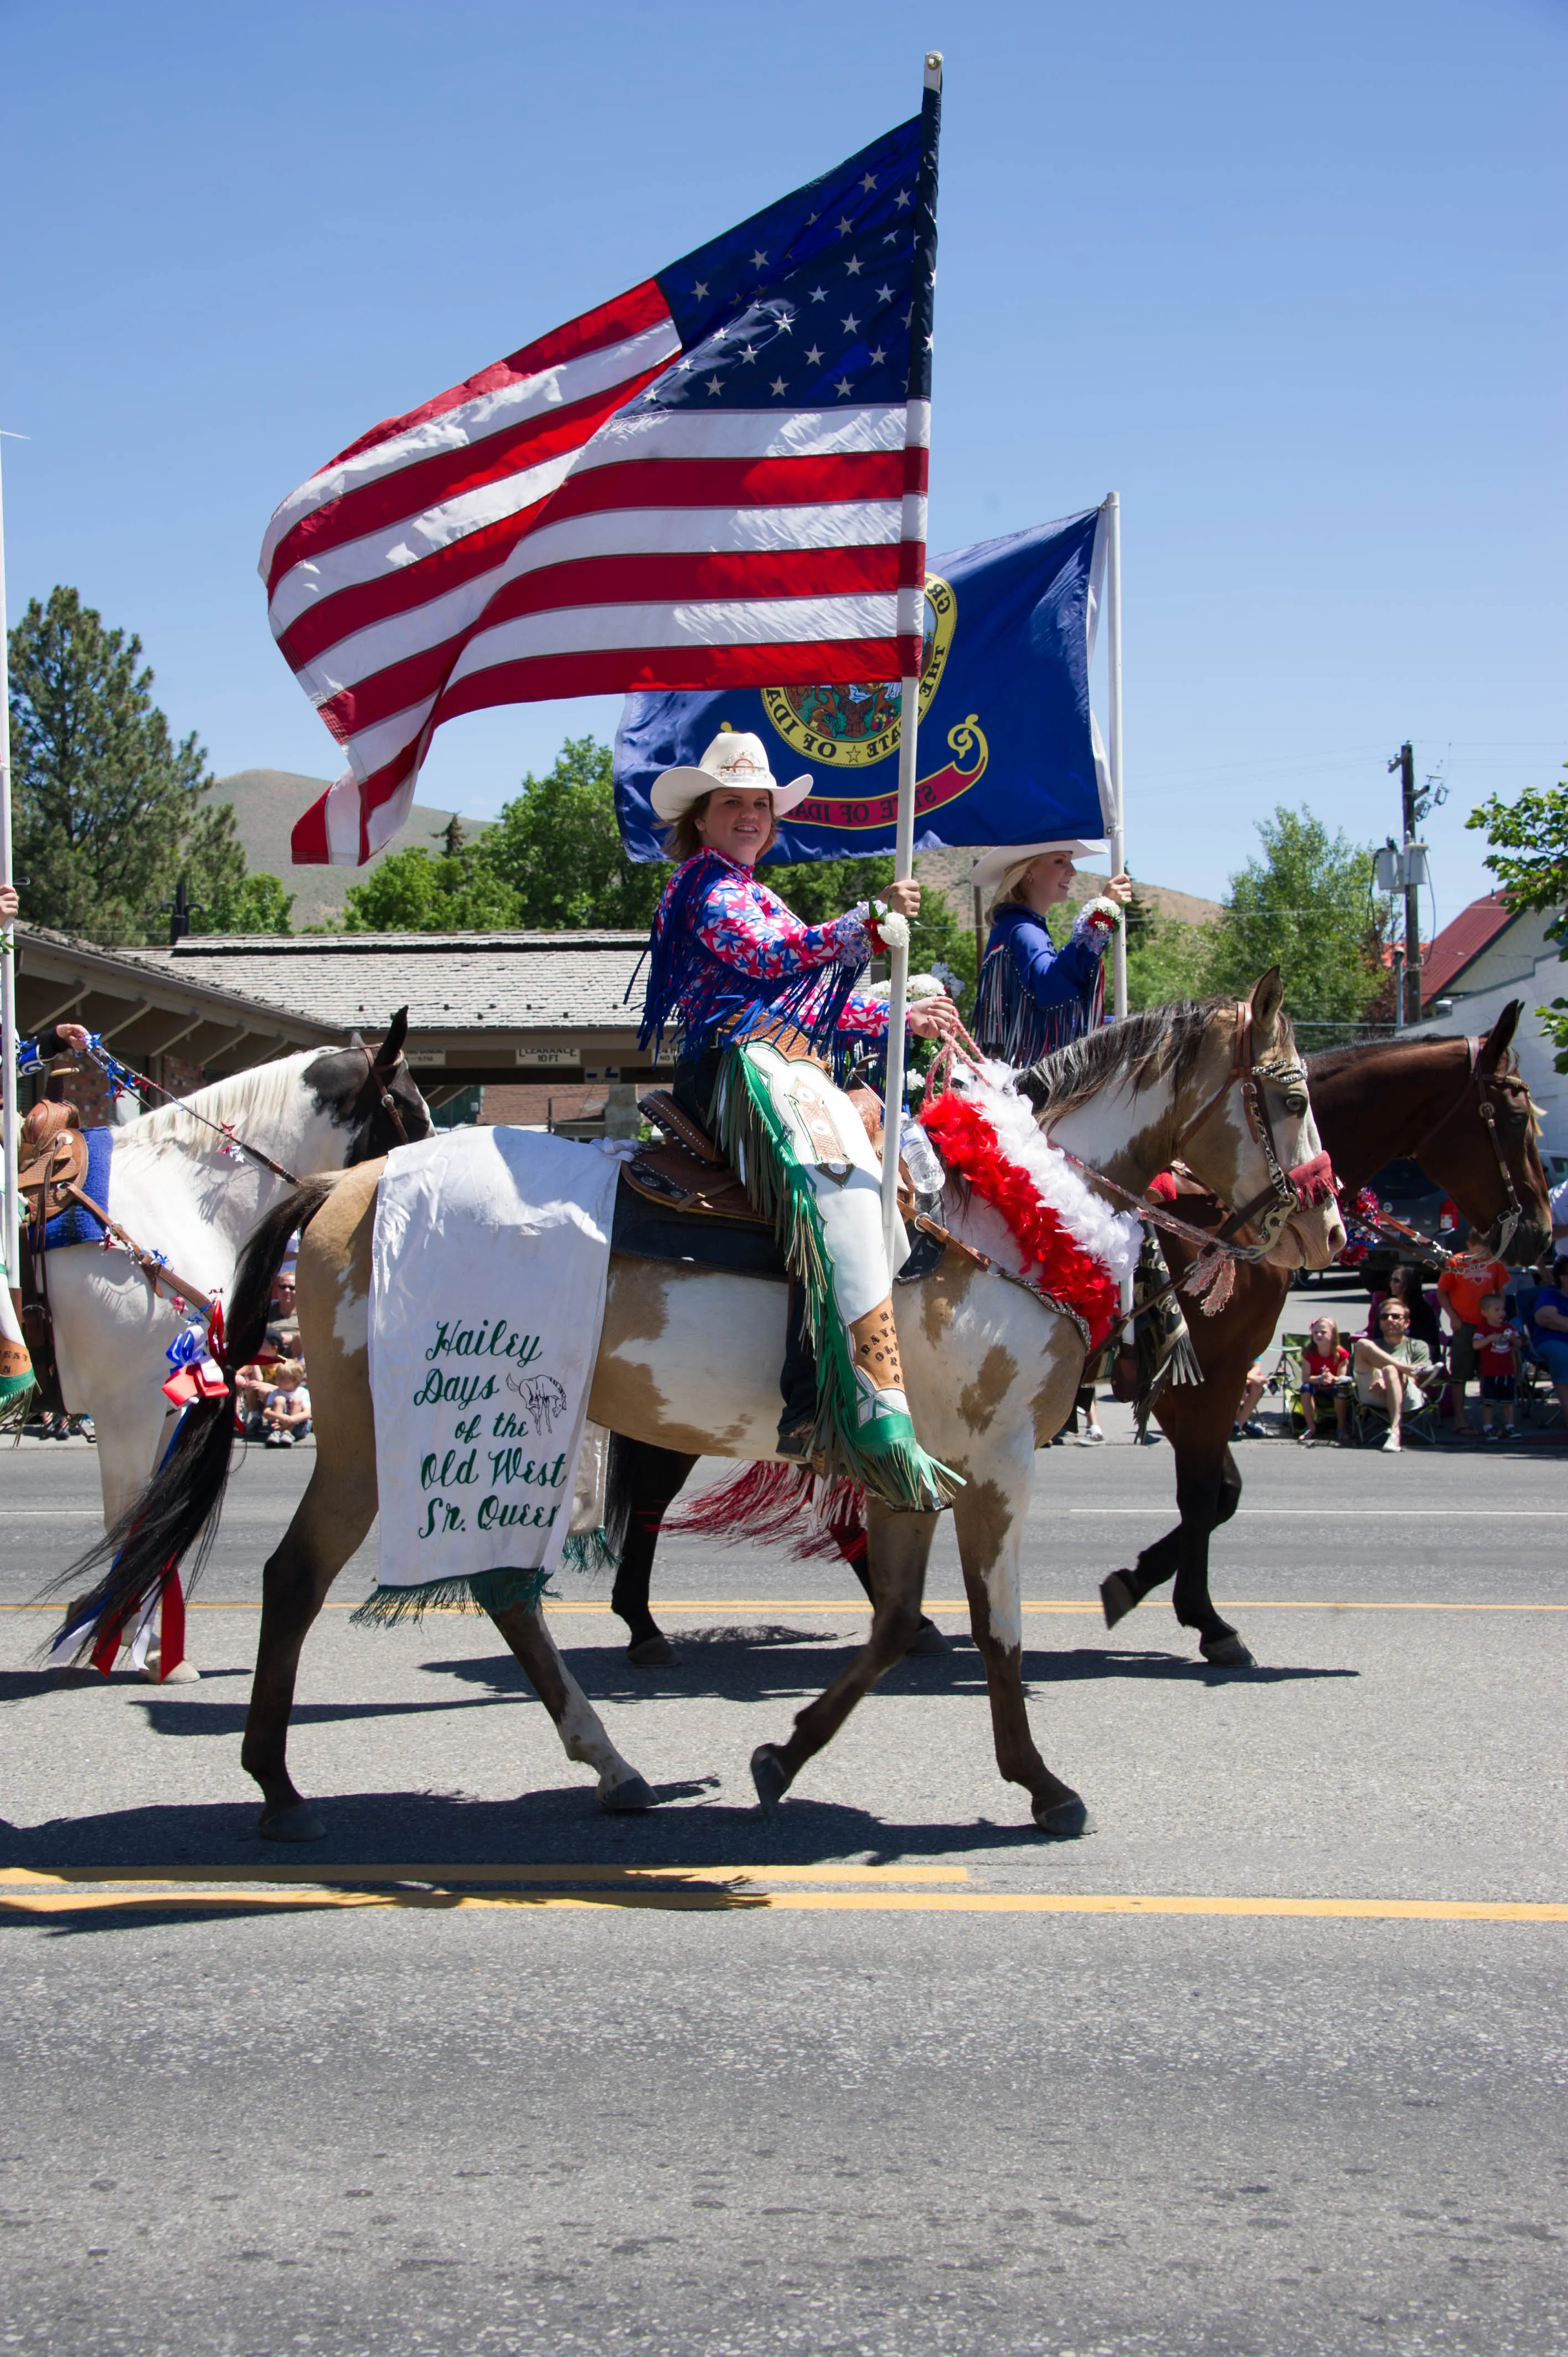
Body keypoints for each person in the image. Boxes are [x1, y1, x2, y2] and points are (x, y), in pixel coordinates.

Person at [637, 732, 958, 1499]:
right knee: (834, 1188)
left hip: (776, 1054)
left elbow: (799, 1008)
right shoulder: (707, 888)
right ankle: (816, 1393)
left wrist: (894, 1022)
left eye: (760, 804)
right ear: (703, 818)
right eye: (733, 803)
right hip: (732, 1068)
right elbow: (772, 959)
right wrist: (867, 921)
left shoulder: (753, 887)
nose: (749, 815)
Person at [969, 841, 1133, 1064]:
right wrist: (1100, 916)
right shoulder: (1023, 929)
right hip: (1026, 1079)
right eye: (1059, 861)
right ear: (1028, 872)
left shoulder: (1016, 925)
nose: (1073, 871)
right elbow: (1051, 989)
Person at [1438, 1242, 1509, 1429]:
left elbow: (1501, 1290)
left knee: (1490, 1373)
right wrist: (1453, 1318)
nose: (1483, 1254)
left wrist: (1499, 1315)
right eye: (1480, 1248)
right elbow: (1442, 1293)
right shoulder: (1455, 1262)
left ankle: (1490, 1422)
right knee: (1460, 1374)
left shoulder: (1494, 1262)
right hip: (1465, 1325)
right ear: (1470, 1244)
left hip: (1488, 1325)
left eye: (1487, 1248)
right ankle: (1460, 1420)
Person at [1353, 1298, 1438, 1452]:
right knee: (1362, 1344)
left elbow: (1418, 1377)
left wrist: (1389, 1378)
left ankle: (1395, 1431)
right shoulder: (1375, 1346)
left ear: (1407, 1323)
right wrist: (1380, 1378)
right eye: (1385, 1317)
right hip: (1375, 1393)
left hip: (1407, 1397)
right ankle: (1402, 1367)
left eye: (1396, 1316)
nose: (1389, 1320)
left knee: (1391, 1370)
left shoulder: (1418, 1346)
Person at [1365, 1261, 1444, 1359]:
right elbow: (1378, 1338)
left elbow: (1431, 1344)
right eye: (1391, 1280)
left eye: (1396, 1281)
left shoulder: (1423, 1310)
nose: (1391, 1284)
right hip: (1388, 1354)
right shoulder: (1385, 1308)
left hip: (1417, 1355)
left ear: (1409, 1283)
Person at [1524, 1255, 1568, 1428]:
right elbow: (1545, 1318)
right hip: (1551, 1342)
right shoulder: (1551, 1295)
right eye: (1565, 1274)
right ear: (1562, 1277)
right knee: (1562, 1354)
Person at [1473, 1291, 1522, 1441]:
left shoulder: (1509, 1327)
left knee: (1508, 1402)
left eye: (1503, 1309)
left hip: (1507, 1371)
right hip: (1490, 1373)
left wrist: (1514, 1338)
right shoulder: (1483, 1329)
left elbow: (1520, 1344)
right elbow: (1476, 1345)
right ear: (1485, 1313)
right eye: (1497, 1310)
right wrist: (1490, 1338)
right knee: (1489, 1402)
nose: (1502, 1313)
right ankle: (1488, 1427)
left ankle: (1510, 1426)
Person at [1298, 1315, 1351, 1445]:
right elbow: (1305, 1378)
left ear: (1333, 1335)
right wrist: (1320, 1379)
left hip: (1333, 1386)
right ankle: (1311, 1427)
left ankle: (1341, 1428)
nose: (1319, 1335)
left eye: (1323, 1332)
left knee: (1341, 1390)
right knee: (1305, 1389)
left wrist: (1333, 1379)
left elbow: (1342, 1378)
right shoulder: (1309, 1353)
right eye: (1315, 1332)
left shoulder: (1341, 1354)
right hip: (1316, 1386)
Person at [259, 1360, 311, 1447]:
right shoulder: (276, 1393)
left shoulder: (303, 1393)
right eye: (277, 1377)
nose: (277, 1380)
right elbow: (266, 1412)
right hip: (278, 1424)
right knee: (279, 1400)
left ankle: (288, 1432)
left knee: (297, 1401)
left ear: (295, 1380)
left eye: (282, 1378)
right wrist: (282, 1417)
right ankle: (277, 1433)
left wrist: (290, 1420)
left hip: (297, 1426)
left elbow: (307, 1414)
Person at [1232, 1360, 1270, 1439]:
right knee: (1239, 1389)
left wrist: (1249, 1379)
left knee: (1257, 1387)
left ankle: (1238, 1425)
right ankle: (1237, 1424)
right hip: (1232, 1379)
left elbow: (1257, 1367)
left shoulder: (1254, 1348)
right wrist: (1250, 1378)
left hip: (1246, 1378)